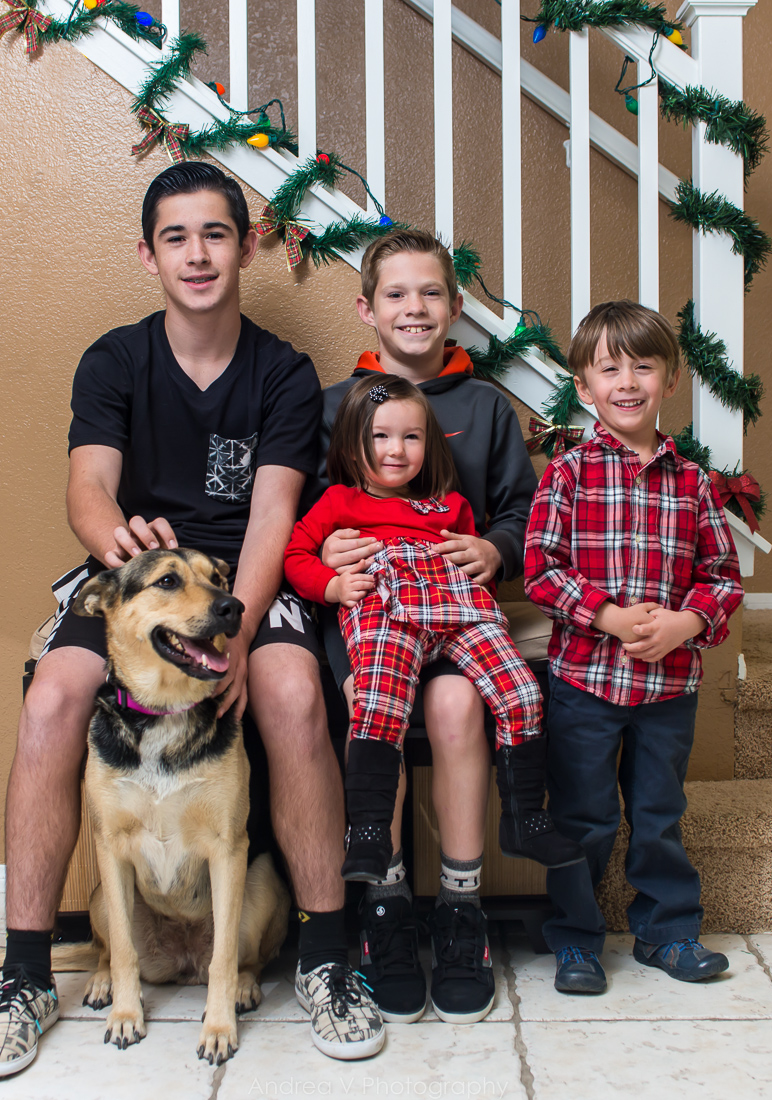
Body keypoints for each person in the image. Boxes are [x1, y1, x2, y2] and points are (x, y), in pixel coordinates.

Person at [0, 163, 384, 1080]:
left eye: (215, 234)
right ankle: (26, 976)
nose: (197, 255)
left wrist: (232, 635)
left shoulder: (283, 371)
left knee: (292, 691)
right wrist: (116, 542)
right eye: (176, 237)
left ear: (246, 246)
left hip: (238, 584)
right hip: (136, 578)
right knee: (53, 697)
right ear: (149, 255)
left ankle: (325, 961)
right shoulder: (114, 360)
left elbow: (272, 518)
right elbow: (88, 487)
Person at [310, 226, 584, 1025]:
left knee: (461, 706)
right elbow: (302, 515)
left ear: (457, 306)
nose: (415, 307)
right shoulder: (335, 404)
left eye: (431, 292)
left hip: (459, 614)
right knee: (375, 703)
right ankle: (387, 909)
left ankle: (463, 912)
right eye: (396, 293)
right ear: (366, 308)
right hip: (372, 618)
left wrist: (495, 549)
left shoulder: (486, 406)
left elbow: (524, 516)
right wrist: (325, 549)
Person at [524, 300, 744, 996]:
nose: (627, 382)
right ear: (584, 387)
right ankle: (575, 937)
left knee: (658, 815)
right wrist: (609, 617)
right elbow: (541, 570)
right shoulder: (568, 473)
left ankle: (666, 931)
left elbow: (722, 577)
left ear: (670, 380)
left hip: (669, 690)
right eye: (609, 369)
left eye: (643, 367)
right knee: (583, 818)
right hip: (585, 684)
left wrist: (687, 623)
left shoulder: (694, 482)